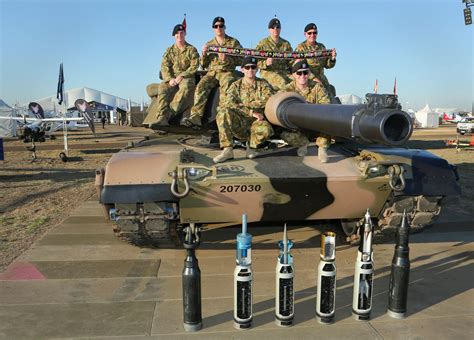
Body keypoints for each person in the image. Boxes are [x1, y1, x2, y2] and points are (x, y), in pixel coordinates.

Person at [182, 16, 242, 129]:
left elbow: (241, 60)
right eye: (216, 26)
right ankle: (196, 117)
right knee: (201, 86)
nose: (218, 28)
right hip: (212, 72)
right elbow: (203, 65)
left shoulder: (233, 42)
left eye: (221, 26)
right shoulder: (209, 44)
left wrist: (227, 59)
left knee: (227, 84)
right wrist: (204, 54)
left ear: (225, 27)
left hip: (226, 71)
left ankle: (223, 117)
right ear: (213, 28)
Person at [213, 56, 274, 163]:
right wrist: (250, 112)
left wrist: (243, 104)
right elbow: (228, 102)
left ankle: (251, 146)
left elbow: (268, 99)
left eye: (253, 67)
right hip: (239, 122)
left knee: (266, 130)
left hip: (256, 122)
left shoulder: (263, 84)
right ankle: (227, 149)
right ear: (242, 69)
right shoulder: (236, 85)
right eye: (247, 67)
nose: (250, 70)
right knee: (223, 112)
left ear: (257, 69)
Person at [145, 23, 199, 128]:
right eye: (177, 34)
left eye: (181, 33)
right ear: (174, 36)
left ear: (185, 34)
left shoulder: (191, 49)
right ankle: (161, 117)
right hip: (173, 78)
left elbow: (194, 66)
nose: (180, 35)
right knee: (162, 87)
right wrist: (170, 79)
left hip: (186, 78)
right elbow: (165, 66)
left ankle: (169, 114)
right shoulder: (169, 51)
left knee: (186, 87)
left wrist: (182, 75)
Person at [280, 60, 331, 162]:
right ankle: (303, 143)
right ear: (294, 75)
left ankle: (322, 147)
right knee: (284, 134)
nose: (302, 76)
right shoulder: (287, 89)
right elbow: (279, 104)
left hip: (315, 124)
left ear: (309, 74)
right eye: (299, 73)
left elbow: (326, 105)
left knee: (329, 121)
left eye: (305, 72)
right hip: (297, 127)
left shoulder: (317, 87)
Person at [295, 23, 337, 98]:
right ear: (305, 34)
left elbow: (327, 65)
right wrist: (314, 79)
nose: (312, 35)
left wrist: (332, 58)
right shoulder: (301, 47)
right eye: (309, 33)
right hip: (307, 78)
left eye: (315, 33)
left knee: (330, 97)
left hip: (322, 78)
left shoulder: (321, 47)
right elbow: (299, 67)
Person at [255, 18, 293, 90]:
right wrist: (265, 63)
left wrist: (296, 63)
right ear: (269, 29)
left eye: (278, 27)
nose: (275, 29)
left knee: (297, 82)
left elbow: (291, 61)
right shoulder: (262, 43)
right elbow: (255, 62)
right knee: (281, 82)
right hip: (268, 72)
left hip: (284, 72)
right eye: (273, 27)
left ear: (280, 29)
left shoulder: (286, 44)